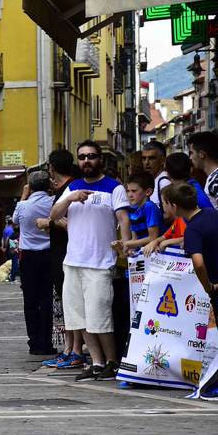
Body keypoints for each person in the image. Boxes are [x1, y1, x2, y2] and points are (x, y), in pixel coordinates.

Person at [50, 140, 131, 382]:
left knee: (100, 317)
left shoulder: (114, 188)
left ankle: (113, 362)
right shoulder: (72, 187)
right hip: (73, 262)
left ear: (100, 160)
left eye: (92, 156)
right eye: (82, 157)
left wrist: (124, 246)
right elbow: (54, 216)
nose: (87, 161)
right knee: (79, 317)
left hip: (100, 262)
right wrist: (70, 198)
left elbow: (123, 218)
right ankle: (96, 362)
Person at [38, 149, 85, 369]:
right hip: (62, 252)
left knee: (70, 303)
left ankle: (73, 350)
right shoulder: (68, 188)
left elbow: (69, 223)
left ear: (52, 167)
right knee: (67, 302)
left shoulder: (69, 189)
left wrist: (48, 222)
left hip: (67, 253)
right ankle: (70, 349)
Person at [14, 171, 55, 357]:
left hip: (28, 257)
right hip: (48, 254)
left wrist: (23, 196)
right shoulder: (54, 202)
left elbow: (15, 221)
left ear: (30, 187)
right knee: (46, 298)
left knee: (30, 300)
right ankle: (46, 341)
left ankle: (34, 342)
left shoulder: (23, 205)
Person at [171, 183, 218, 332]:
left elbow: (198, 263)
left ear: (175, 206)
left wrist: (208, 287)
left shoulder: (192, 229)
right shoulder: (213, 213)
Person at [118, 173, 162, 256]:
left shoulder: (149, 207)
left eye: (134, 191)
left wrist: (127, 244)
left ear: (148, 192)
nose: (130, 195)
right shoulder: (133, 210)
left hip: (156, 254)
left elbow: (153, 238)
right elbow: (135, 239)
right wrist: (122, 244)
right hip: (143, 254)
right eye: (128, 191)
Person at [143, 186, 187, 255]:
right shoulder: (176, 221)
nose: (162, 206)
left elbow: (185, 238)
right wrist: (155, 242)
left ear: (171, 204)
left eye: (163, 203)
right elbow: (165, 236)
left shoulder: (182, 220)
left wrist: (166, 242)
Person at [187, 131, 218, 208]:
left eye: (192, 153)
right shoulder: (213, 178)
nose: (190, 158)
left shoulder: (215, 179)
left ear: (202, 154)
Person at [142, 140, 170, 208]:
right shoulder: (151, 181)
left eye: (151, 158)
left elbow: (170, 214)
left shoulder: (164, 182)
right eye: (144, 158)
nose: (146, 162)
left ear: (162, 160)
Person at [1, 217, 18, 283]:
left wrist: (3, 247)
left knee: (11, 263)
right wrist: (6, 247)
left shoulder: (5, 229)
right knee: (14, 263)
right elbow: (8, 239)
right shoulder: (11, 230)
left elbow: (3, 238)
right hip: (11, 248)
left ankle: (10, 276)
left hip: (8, 248)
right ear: (12, 224)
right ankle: (12, 277)